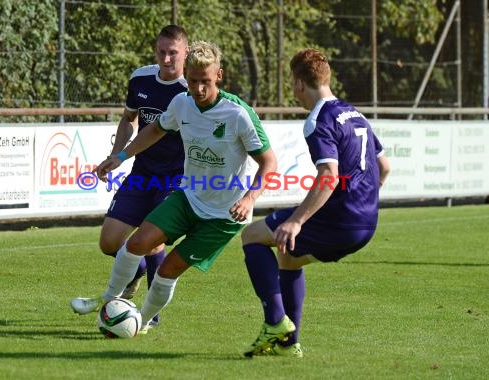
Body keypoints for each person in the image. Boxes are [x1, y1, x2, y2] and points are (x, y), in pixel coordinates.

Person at [80, 40, 276, 334]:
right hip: (188, 197)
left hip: (223, 216)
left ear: (219, 76)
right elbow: (156, 129)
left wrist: (250, 198)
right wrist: (121, 155)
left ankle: (141, 322)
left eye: (205, 82)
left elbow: (269, 162)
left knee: (167, 269)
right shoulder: (182, 103)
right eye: (193, 81)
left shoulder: (238, 114)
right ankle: (107, 300)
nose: (198, 89)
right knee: (135, 244)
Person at [241, 48, 390, 358]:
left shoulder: (318, 120)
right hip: (367, 221)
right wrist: (362, 201)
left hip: (341, 220)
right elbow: (384, 167)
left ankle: (274, 324)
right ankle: (287, 343)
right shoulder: (355, 114)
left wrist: (296, 220)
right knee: (288, 257)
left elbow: (328, 177)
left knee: (252, 236)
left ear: (298, 84)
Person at [70, 25, 189, 327]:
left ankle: (150, 315)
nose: (166, 58)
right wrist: (116, 154)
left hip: (175, 178)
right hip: (141, 173)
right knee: (109, 243)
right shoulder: (140, 78)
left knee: (152, 240)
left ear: (185, 53)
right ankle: (134, 273)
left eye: (173, 53)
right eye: (161, 52)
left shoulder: (191, 90)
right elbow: (128, 119)